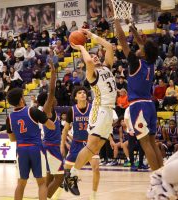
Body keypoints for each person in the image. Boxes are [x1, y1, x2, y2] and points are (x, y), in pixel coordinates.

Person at [65, 29, 117, 195]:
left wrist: (92, 36)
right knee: (90, 146)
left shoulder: (107, 67)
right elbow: (87, 61)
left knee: (96, 149)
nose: (94, 57)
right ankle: (71, 175)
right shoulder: (91, 74)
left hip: (109, 111)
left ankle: (72, 175)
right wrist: (81, 47)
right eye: (92, 56)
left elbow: (109, 47)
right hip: (99, 110)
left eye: (96, 56)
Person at [114, 19, 163, 170]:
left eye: (141, 48)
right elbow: (142, 43)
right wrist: (131, 27)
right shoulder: (151, 63)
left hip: (138, 105)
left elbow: (123, 41)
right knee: (152, 143)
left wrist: (116, 21)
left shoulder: (136, 63)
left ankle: (156, 179)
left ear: (144, 52)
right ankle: (163, 176)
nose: (138, 48)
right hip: (149, 105)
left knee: (145, 143)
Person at [6, 88, 55, 200]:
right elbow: (52, 126)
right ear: (21, 99)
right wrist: (47, 117)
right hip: (36, 149)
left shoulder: (9, 118)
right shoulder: (32, 111)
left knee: (21, 183)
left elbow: (12, 139)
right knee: (42, 183)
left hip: (21, 150)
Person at [62, 86, 102, 199]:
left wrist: (110, 140)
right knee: (67, 169)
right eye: (79, 93)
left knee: (96, 168)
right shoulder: (72, 110)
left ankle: (93, 195)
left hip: (90, 143)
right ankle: (67, 180)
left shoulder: (93, 109)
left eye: (84, 92)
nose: (83, 94)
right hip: (76, 143)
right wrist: (62, 145)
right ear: (75, 97)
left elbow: (100, 125)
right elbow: (65, 129)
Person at [36, 64, 64, 199]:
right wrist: (53, 73)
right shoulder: (47, 111)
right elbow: (52, 90)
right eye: (50, 98)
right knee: (60, 178)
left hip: (49, 146)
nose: (53, 98)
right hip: (51, 147)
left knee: (50, 176)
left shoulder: (51, 111)